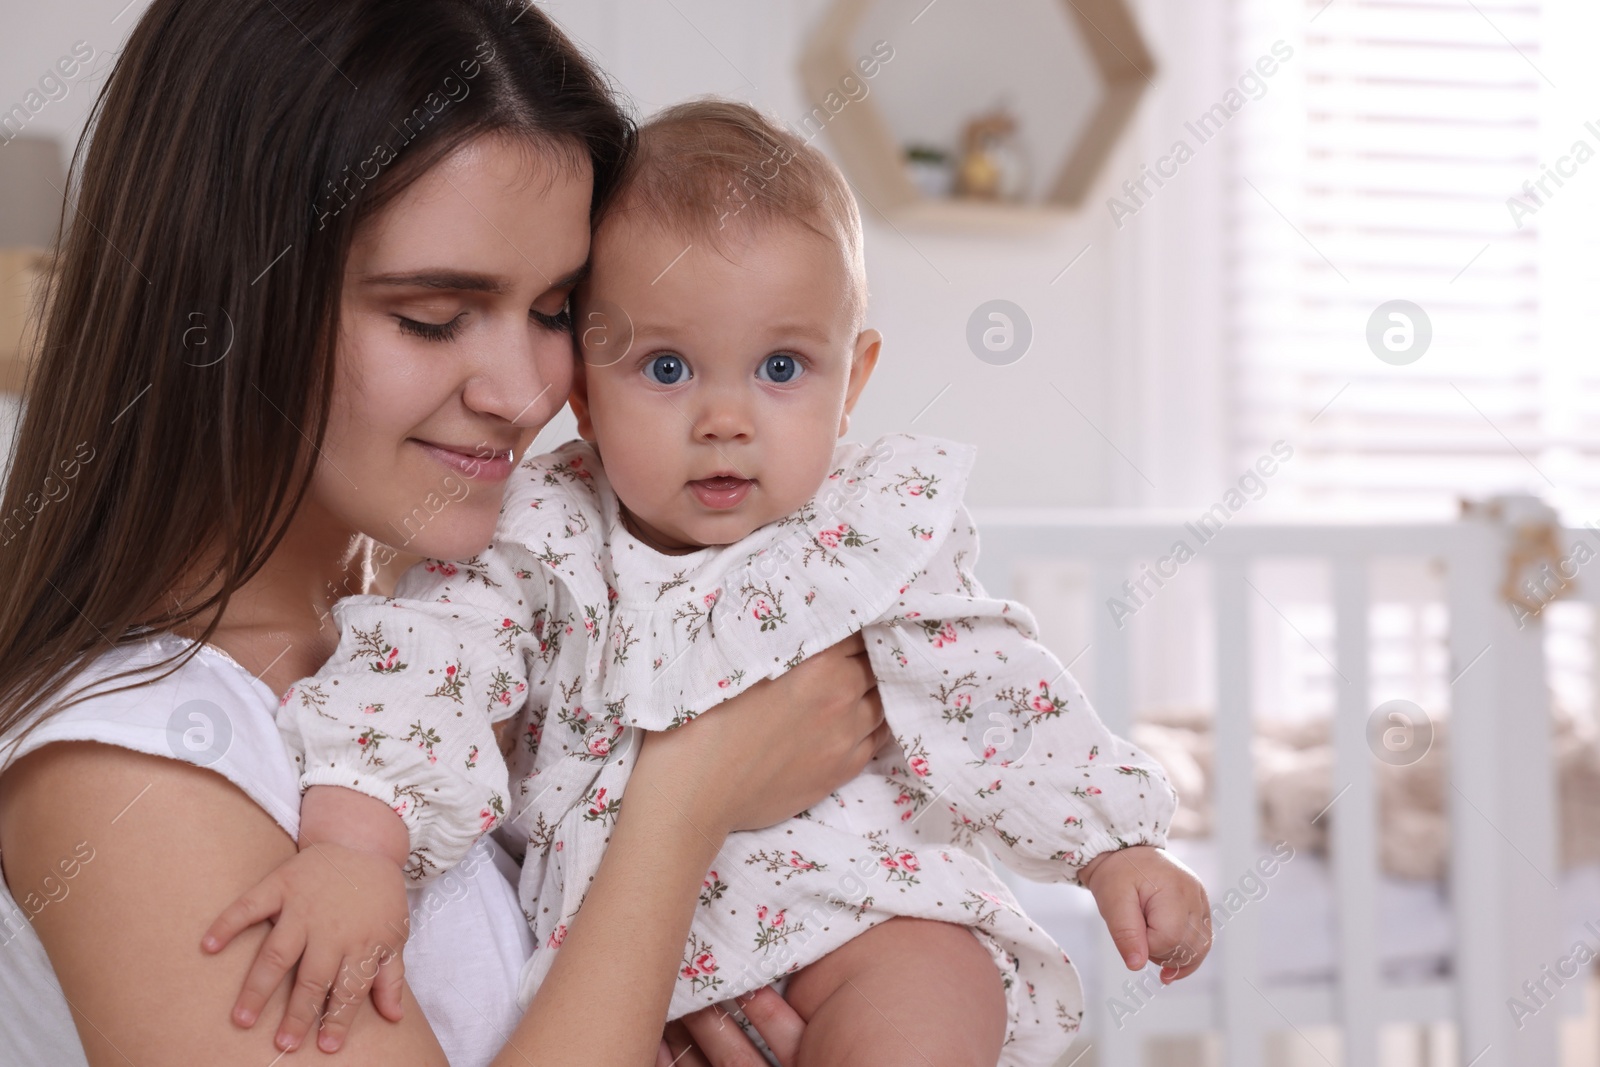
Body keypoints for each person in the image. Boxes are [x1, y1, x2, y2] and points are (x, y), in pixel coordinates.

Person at [228, 101, 1214, 1066]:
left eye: (781, 365)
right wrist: (355, 848)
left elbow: (996, 689)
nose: (725, 418)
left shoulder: (869, 531)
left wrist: (1114, 844)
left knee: (930, 994)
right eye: (666, 367)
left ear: (853, 381)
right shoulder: (539, 538)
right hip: (631, 957)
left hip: (871, 910)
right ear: (582, 394)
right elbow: (422, 668)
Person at [0, 3, 888, 1065]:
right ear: (226, 302)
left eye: (557, 311)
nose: (523, 394)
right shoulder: (128, 774)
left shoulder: (461, 640)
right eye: (431, 317)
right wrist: (681, 807)